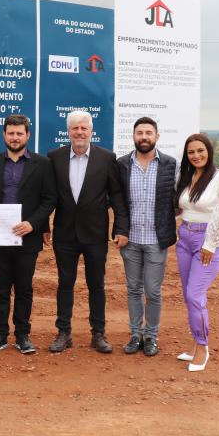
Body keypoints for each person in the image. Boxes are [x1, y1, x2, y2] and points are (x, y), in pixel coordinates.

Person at [45, 110, 129, 354]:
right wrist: (43, 227)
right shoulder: (54, 158)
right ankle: (63, 333)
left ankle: (98, 334)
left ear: (91, 131)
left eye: (84, 128)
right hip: (64, 234)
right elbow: (48, 197)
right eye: (75, 128)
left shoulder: (106, 158)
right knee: (65, 284)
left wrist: (120, 227)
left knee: (96, 285)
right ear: (68, 132)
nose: (79, 132)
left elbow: (116, 197)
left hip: (95, 234)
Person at [0, 115, 57, 355]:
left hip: (27, 236)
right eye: (11, 133)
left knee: (24, 288)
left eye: (19, 133)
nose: (15, 138)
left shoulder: (42, 164)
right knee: (0, 289)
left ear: (28, 136)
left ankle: (23, 335)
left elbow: (49, 199)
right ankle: (0, 334)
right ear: (4, 135)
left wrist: (33, 224)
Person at [174, 133, 219, 372]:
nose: (196, 155)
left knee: (194, 294)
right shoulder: (187, 176)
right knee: (189, 296)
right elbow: (180, 208)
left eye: (200, 150)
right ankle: (194, 344)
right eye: (191, 152)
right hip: (185, 239)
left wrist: (211, 244)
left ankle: (202, 347)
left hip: (207, 241)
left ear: (209, 151)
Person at [117, 117, 177, 357]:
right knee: (133, 289)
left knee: (152, 291)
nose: (144, 137)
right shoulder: (122, 164)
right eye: (140, 133)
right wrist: (119, 230)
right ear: (133, 136)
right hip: (130, 240)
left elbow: (179, 198)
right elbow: (118, 201)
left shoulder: (171, 164)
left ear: (157, 136)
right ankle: (135, 335)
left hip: (156, 240)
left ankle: (151, 337)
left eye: (148, 133)